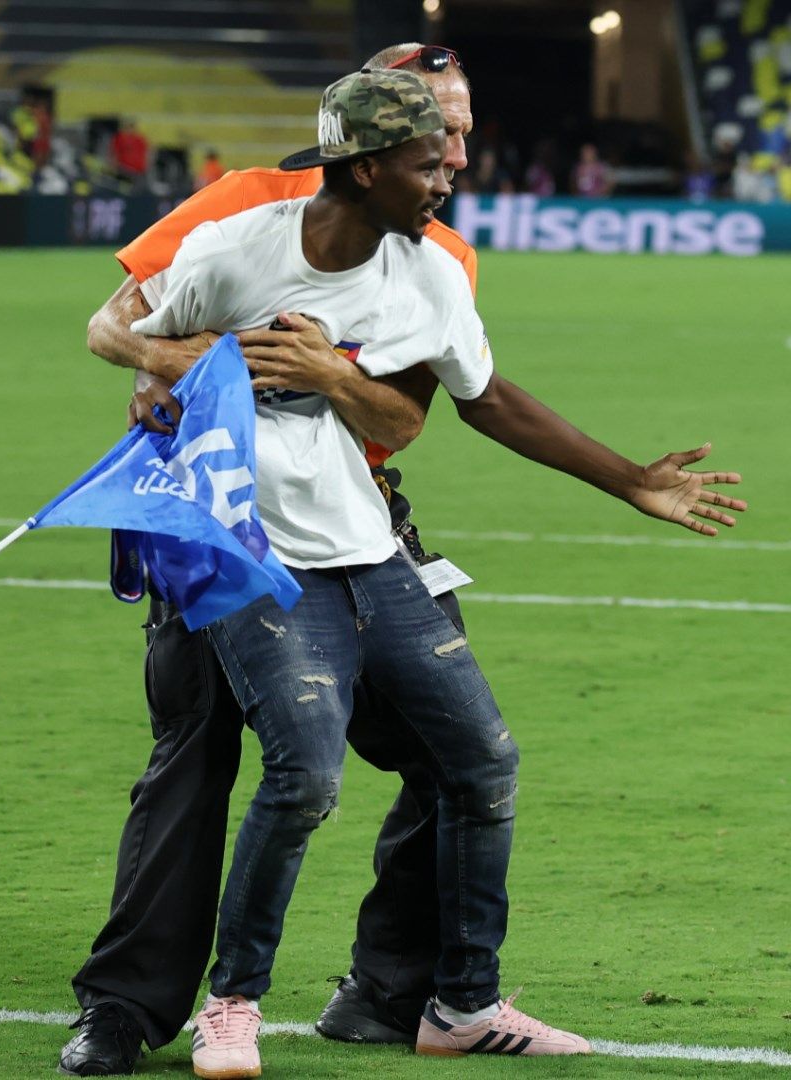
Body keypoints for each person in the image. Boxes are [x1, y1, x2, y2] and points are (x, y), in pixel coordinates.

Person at [62, 44, 479, 1077]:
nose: (458, 155)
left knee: (457, 757)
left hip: (364, 527)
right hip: (218, 523)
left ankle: (391, 991)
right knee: (194, 759)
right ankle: (125, 1007)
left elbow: (419, 412)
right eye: (440, 131)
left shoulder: (437, 248)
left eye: (464, 132)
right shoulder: (245, 204)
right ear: (370, 135)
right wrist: (181, 370)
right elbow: (125, 323)